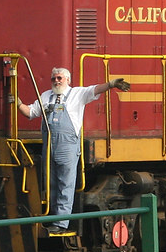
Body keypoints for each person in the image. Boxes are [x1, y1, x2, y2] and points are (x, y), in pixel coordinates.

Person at [17, 68, 130, 234]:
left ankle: (61, 222)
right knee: (51, 183)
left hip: (67, 146)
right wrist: (17, 102)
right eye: (54, 78)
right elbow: (30, 113)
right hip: (49, 146)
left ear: (68, 80)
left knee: (65, 183)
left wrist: (111, 84)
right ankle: (51, 218)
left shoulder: (77, 94)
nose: (56, 81)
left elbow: (95, 89)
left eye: (60, 78)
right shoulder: (46, 96)